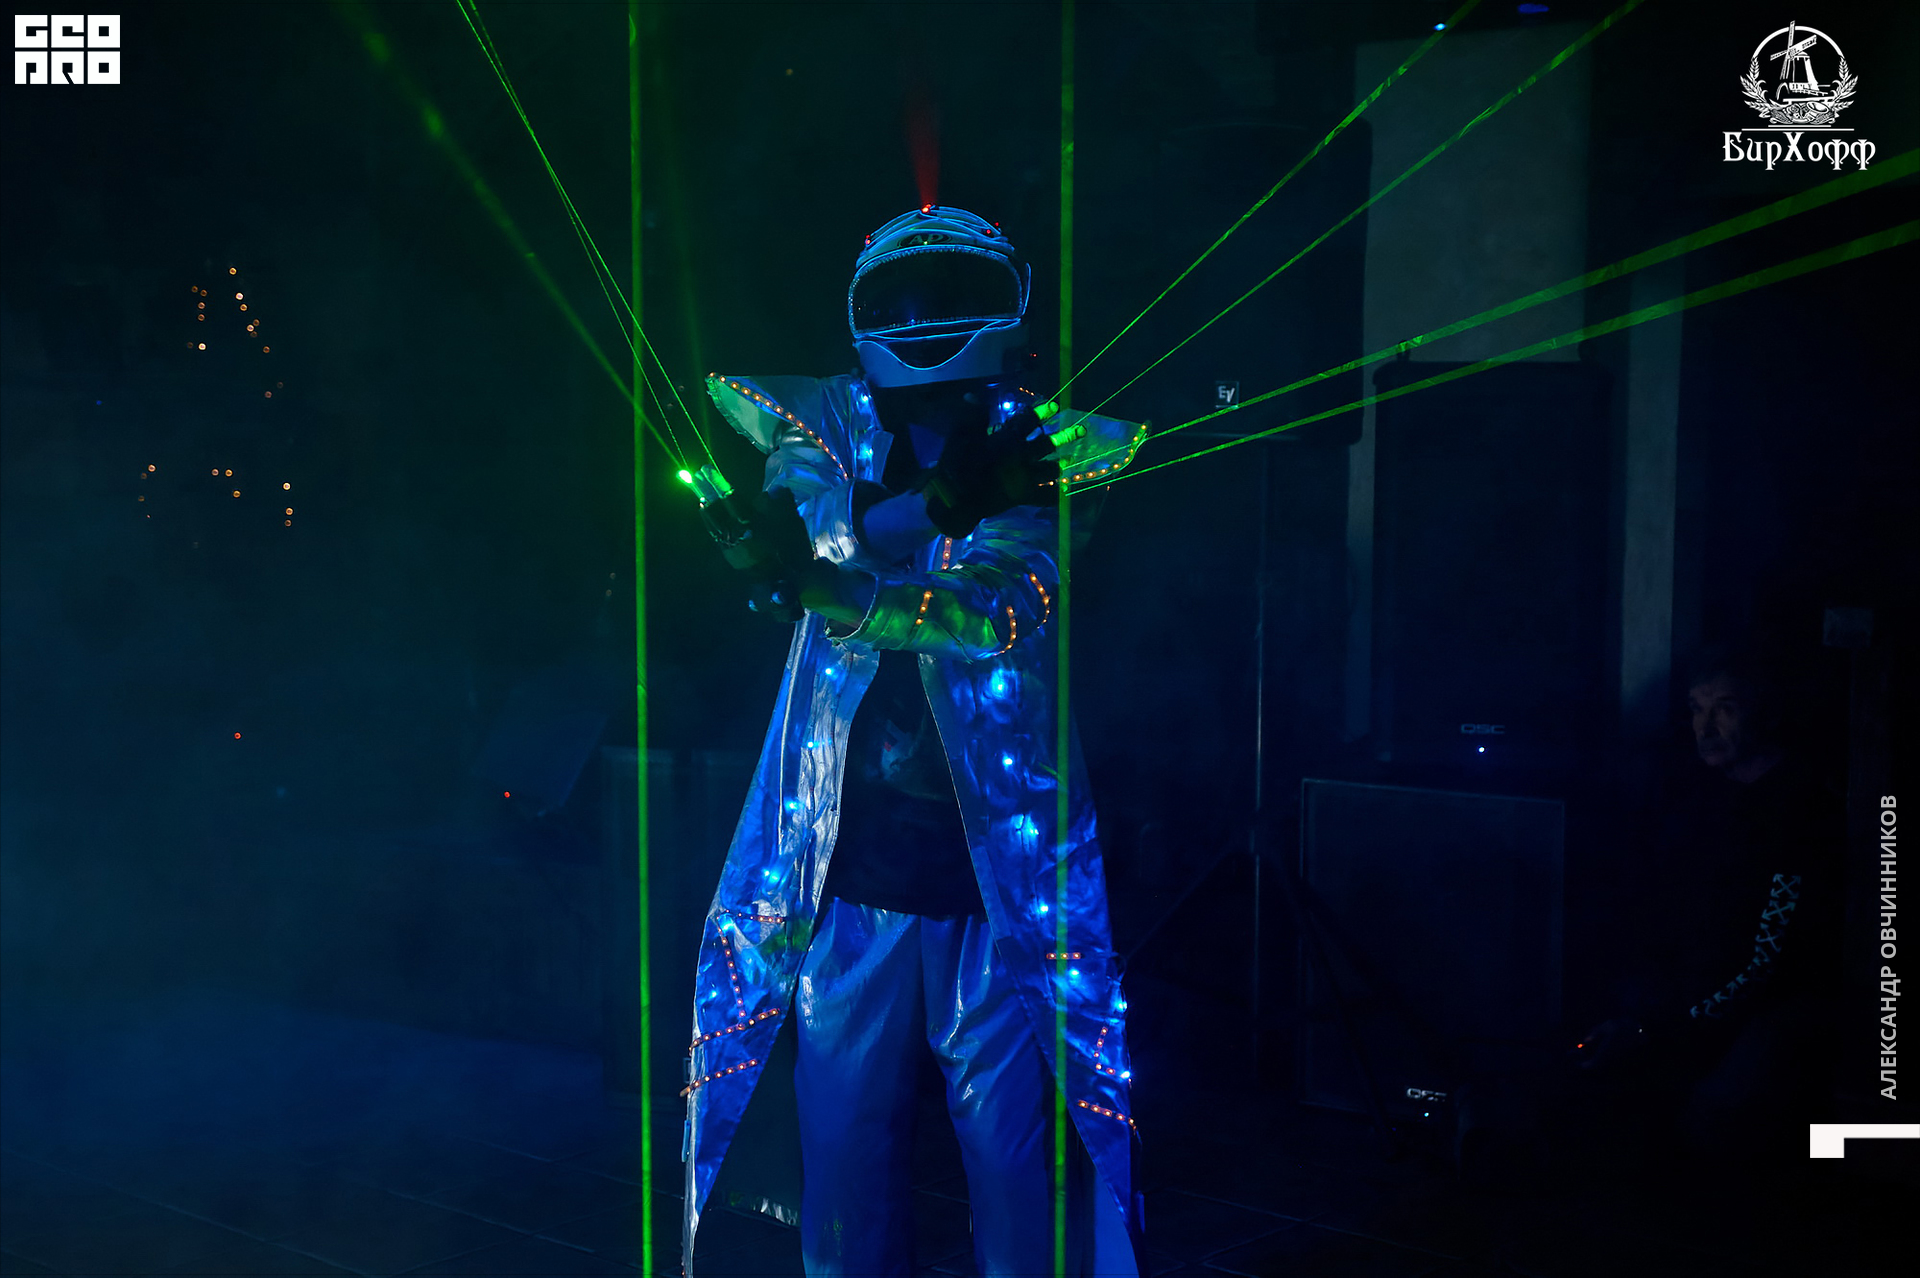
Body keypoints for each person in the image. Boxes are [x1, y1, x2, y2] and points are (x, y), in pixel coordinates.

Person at [679, 206, 1147, 1276]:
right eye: (905, 302)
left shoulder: (1046, 450)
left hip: (997, 881)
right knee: (843, 1151)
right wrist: (919, 513)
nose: (924, 321)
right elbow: (820, 533)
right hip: (846, 875)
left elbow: (991, 610)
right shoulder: (823, 427)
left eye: (946, 299)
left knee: (1013, 1157)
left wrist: (848, 581)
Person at [1575, 647, 1843, 1166]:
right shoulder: (1700, 799)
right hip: (1692, 1002)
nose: (1706, 726)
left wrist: (1661, 1026)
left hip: (1772, 1008)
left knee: (1714, 1124)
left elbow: (1767, 960)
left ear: (1765, 713)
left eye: (1725, 708)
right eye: (1697, 709)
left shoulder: (1801, 809)